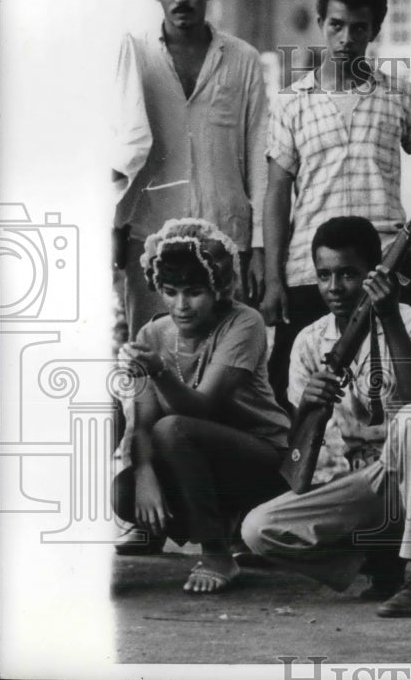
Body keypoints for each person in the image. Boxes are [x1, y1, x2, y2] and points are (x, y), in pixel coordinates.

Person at [243, 216, 411, 617]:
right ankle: (373, 562)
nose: (334, 288)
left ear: (375, 274)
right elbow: (298, 445)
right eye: (324, 274)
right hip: (363, 480)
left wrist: (389, 317)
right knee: (258, 530)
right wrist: (311, 403)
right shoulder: (310, 340)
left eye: (348, 274)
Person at [261, 0, 411, 415]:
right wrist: (273, 279)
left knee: (391, 387)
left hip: (383, 263)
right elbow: (276, 193)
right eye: (336, 25)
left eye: (359, 28)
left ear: (375, 30)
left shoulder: (399, 95)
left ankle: (388, 475)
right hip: (314, 270)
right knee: (297, 392)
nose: (347, 38)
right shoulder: (292, 102)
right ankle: (303, 481)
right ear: (322, 24)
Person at [113, 219, 290, 593]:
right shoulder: (152, 333)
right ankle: (206, 526)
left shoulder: (245, 322)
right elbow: (144, 421)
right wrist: (144, 472)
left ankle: (217, 555)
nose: (181, 305)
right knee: (125, 491)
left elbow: (201, 408)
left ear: (220, 288)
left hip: (261, 458)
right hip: (196, 457)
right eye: (170, 291)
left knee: (172, 427)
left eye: (194, 292)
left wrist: (158, 370)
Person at [112, 0, 269, 339]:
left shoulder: (243, 59)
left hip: (224, 237)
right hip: (150, 238)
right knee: (150, 359)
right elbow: (119, 146)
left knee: (227, 366)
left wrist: (260, 246)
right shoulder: (135, 55)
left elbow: (258, 155)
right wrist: (115, 227)